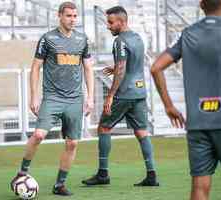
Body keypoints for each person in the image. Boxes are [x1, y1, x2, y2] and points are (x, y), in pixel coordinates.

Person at [151, 0, 221, 199]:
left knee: (199, 186)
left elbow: (156, 67)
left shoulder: (189, 33)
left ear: (201, 5)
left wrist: (169, 106)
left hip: (198, 121)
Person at [10, 1, 94, 196]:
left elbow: (88, 68)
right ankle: (22, 172)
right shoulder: (47, 39)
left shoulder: (82, 39)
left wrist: (90, 98)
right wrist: (34, 96)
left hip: (75, 99)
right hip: (53, 98)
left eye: (75, 16)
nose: (72, 20)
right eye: (68, 16)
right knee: (39, 135)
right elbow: (36, 68)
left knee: (72, 143)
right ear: (59, 16)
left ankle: (59, 185)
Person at [82, 6, 159, 187]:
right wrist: (115, 67)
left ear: (121, 22)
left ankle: (103, 174)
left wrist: (110, 96)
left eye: (110, 22)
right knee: (141, 132)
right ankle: (152, 175)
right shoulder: (138, 38)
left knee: (104, 128)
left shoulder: (119, 42)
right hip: (140, 91)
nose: (108, 26)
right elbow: (132, 64)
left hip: (124, 94)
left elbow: (123, 69)